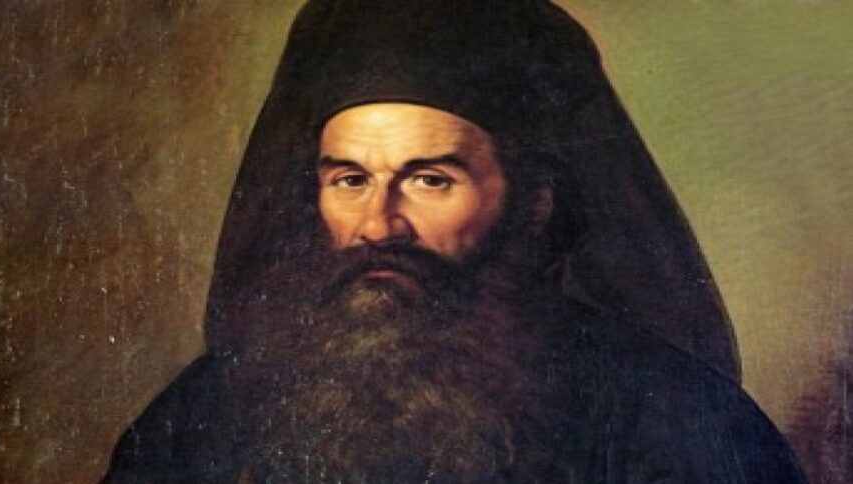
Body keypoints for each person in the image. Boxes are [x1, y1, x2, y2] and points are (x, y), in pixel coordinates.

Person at [103, 1, 806, 482]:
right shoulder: (215, 404)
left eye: (430, 180)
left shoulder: (675, 415)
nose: (379, 224)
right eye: (350, 179)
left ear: (534, 203)